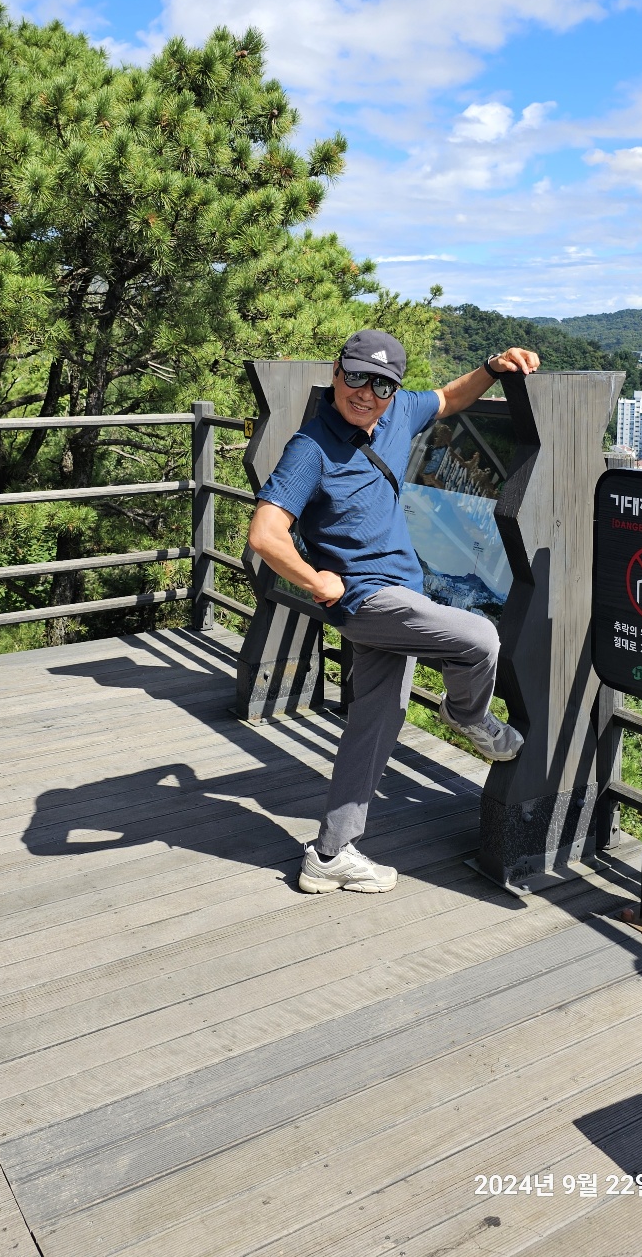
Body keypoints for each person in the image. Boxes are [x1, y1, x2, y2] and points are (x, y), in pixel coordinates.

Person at [247, 328, 540, 895]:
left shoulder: (399, 413)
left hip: (403, 592)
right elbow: (265, 533)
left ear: (393, 390)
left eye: (381, 384)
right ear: (336, 373)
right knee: (479, 639)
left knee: (375, 724)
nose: (366, 393)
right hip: (366, 599)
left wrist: (492, 366)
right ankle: (468, 716)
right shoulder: (311, 447)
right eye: (356, 377)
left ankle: (330, 854)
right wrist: (316, 580)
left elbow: (449, 398)